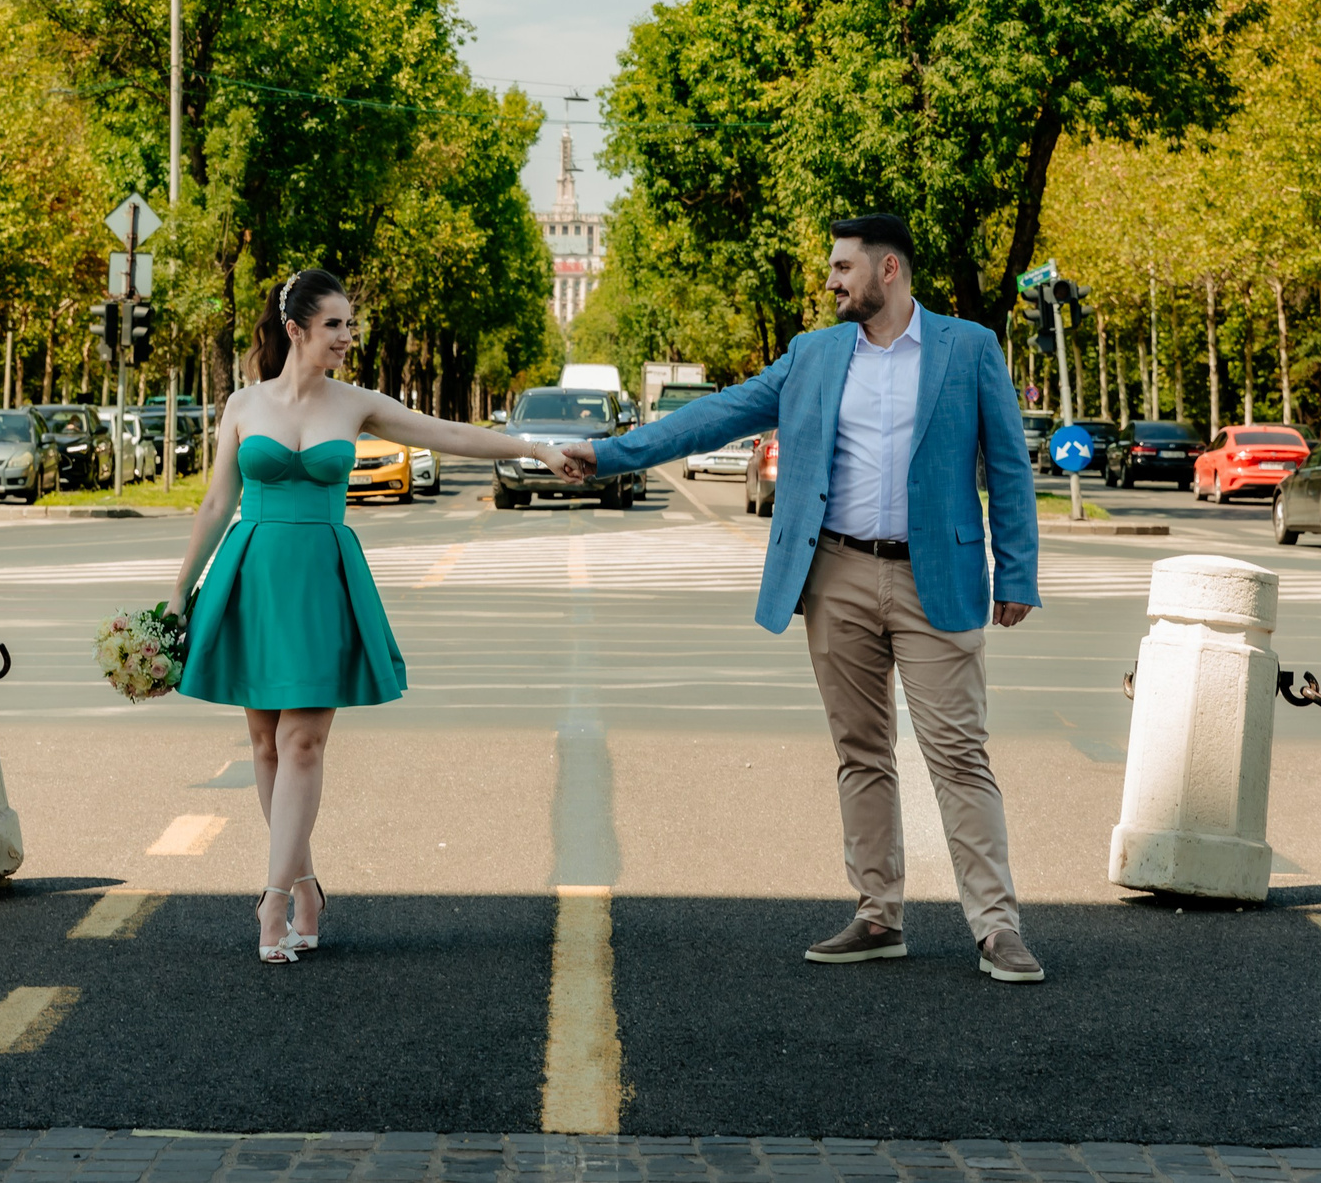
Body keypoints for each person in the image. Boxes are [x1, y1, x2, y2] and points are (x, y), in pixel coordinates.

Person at [559, 214, 1045, 983]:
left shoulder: (967, 347)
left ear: (889, 270)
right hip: (838, 575)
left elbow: (1010, 466)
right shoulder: (814, 355)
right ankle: (878, 913)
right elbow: (715, 415)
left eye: (843, 267)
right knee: (861, 751)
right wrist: (612, 454)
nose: (830, 280)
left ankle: (996, 928)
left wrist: (1016, 570)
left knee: (958, 754)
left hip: (937, 579)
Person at [170, 268, 573, 964]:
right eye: (336, 326)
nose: (349, 338)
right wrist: (179, 592)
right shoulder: (242, 404)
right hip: (253, 574)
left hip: (322, 578)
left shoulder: (356, 403)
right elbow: (214, 505)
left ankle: (270, 899)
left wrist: (533, 448)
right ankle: (305, 887)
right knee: (265, 744)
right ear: (296, 328)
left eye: (351, 325)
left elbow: (449, 433)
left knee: (302, 743)